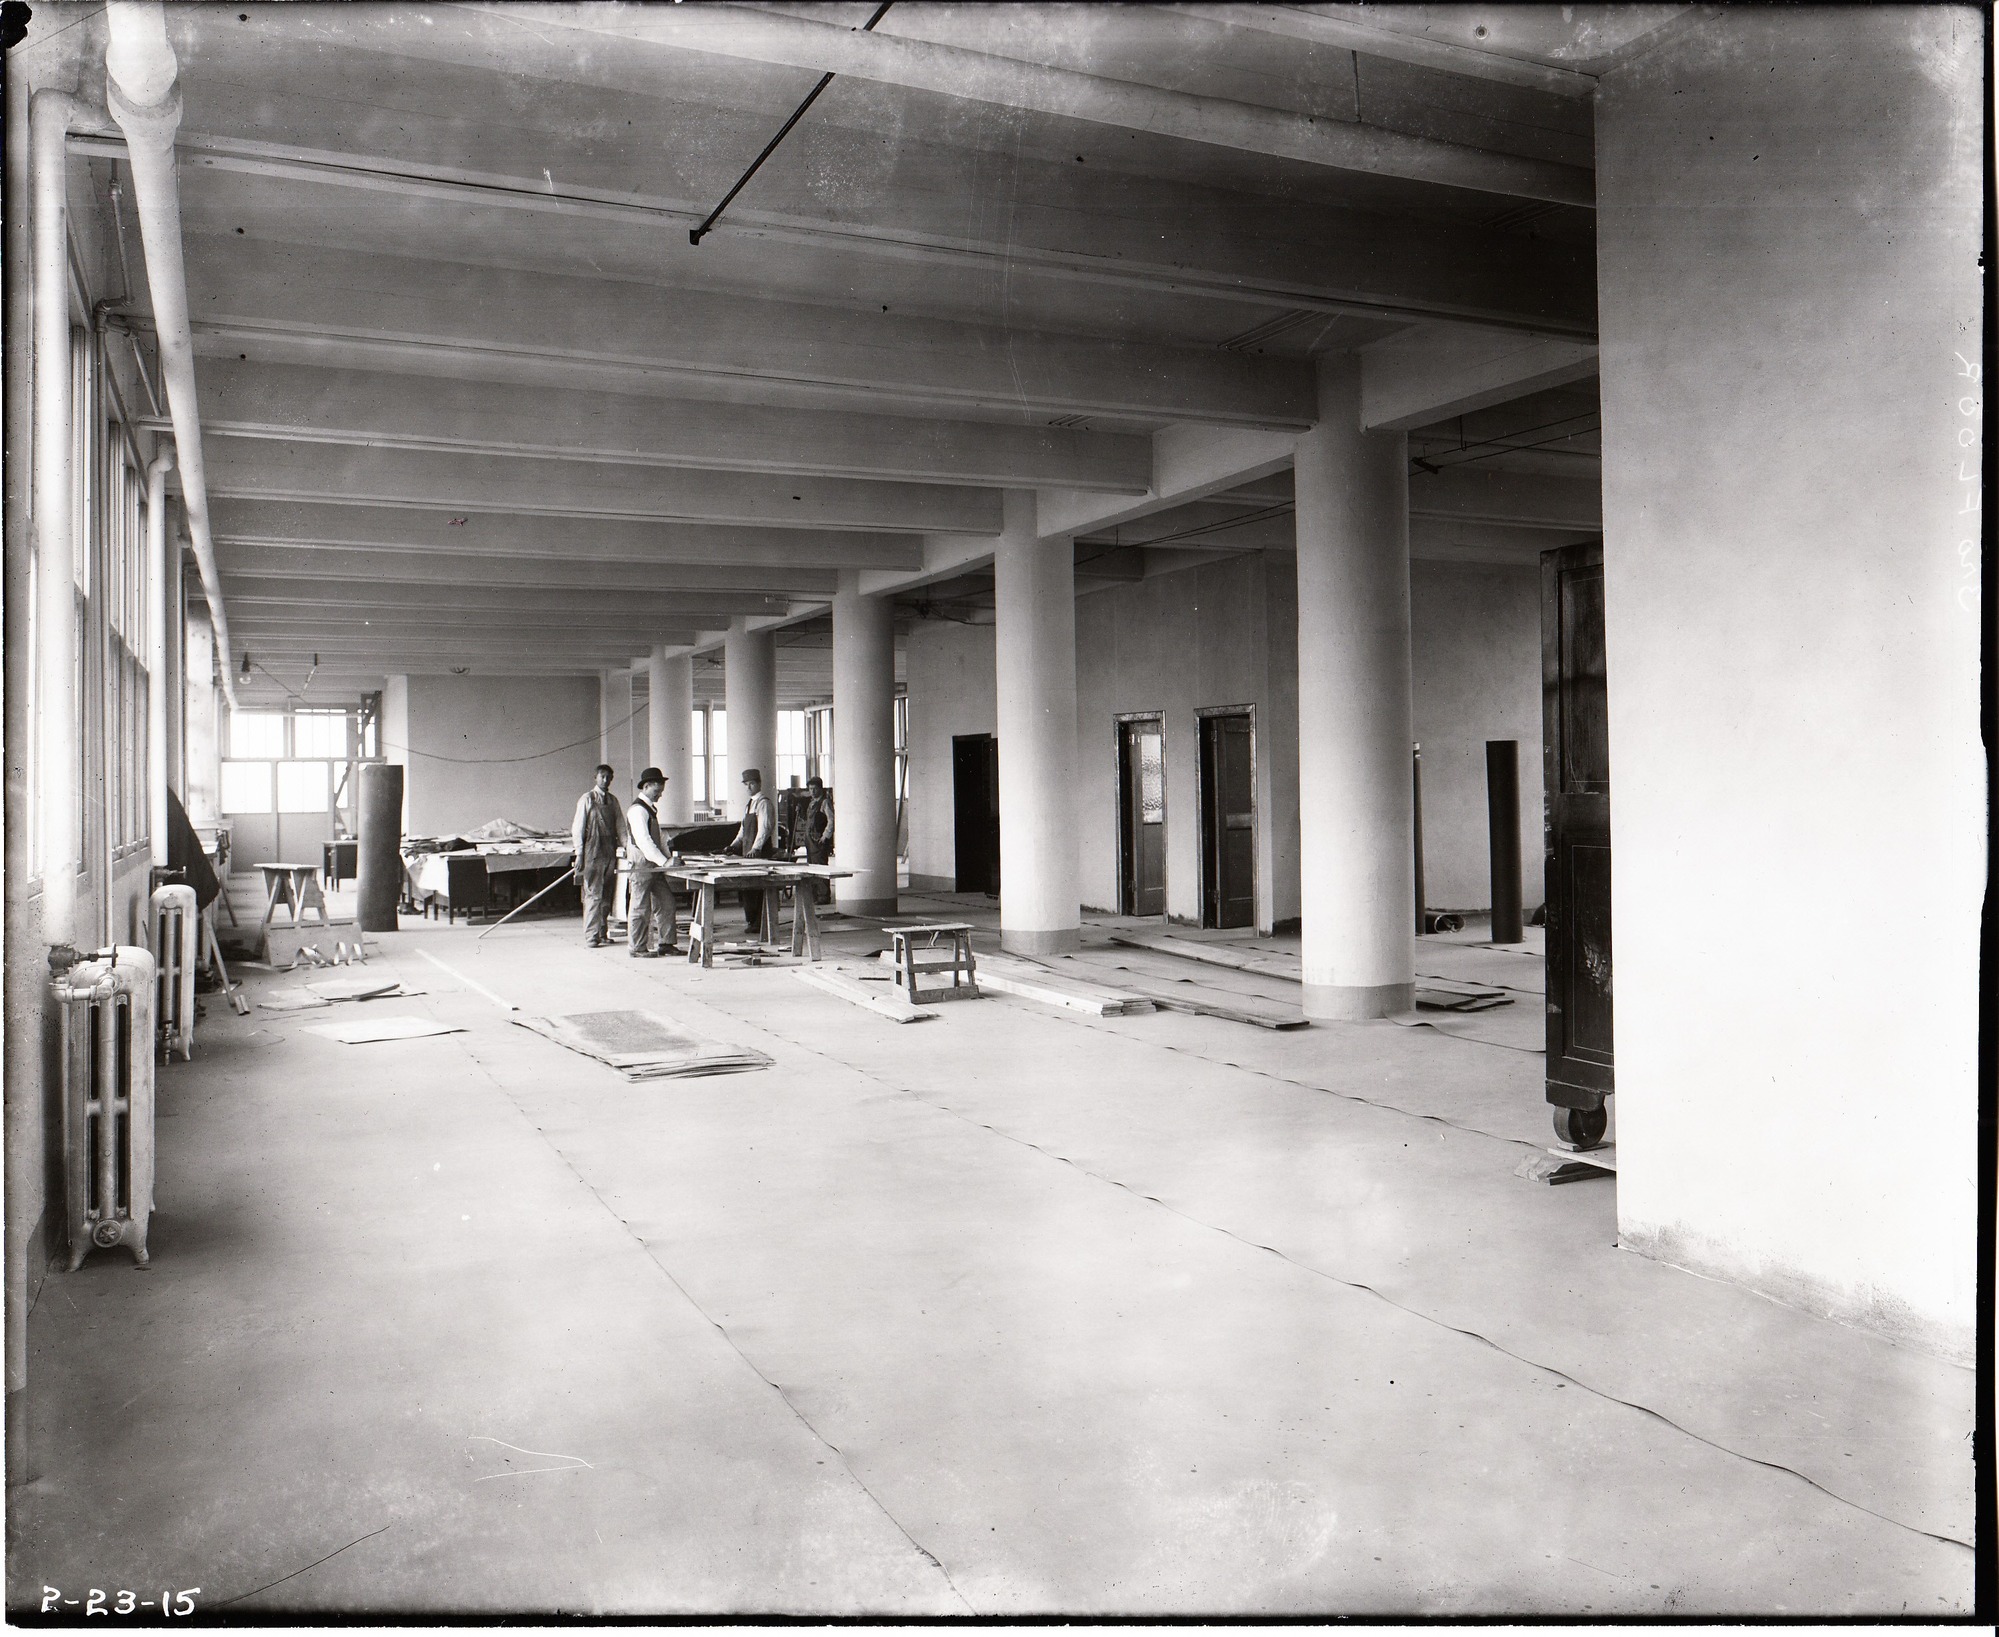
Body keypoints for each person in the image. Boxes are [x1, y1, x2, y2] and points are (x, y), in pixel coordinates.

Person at [624, 767, 682, 957]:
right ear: (646, 787)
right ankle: (637, 948)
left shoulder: (650, 809)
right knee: (640, 907)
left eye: (661, 791)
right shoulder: (637, 810)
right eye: (657, 791)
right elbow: (644, 842)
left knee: (666, 903)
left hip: (653, 866)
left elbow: (658, 838)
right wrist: (664, 862)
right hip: (641, 865)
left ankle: (666, 943)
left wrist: (668, 859)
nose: (660, 795)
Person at [571, 764, 625, 948]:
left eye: (609, 776)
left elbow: (621, 828)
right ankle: (591, 936)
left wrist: (626, 848)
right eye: (602, 776)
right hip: (592, 853)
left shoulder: (613, 801)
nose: (606, 780)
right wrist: (579, 854)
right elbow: (577, 829)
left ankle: (602, 932)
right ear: (596, 777)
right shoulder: (586, 799)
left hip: (609, 852)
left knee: (607, 895)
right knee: (593, 895)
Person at [722, 766, 778, 932]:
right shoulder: (748, 805)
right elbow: (743, 830)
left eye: (751, 784)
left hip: (760, 853)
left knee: (759, 889)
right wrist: (733, 845)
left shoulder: (764, 804)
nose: (748, 787)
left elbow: (765, 829)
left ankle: (760, 923)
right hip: (748, 853)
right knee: (748, 889)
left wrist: (756, 848)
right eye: (745, 784)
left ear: (759, 784)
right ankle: (751, 922)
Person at [803, 775, 835, 904]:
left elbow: (831, 820)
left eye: (815, 789)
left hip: (819, 840)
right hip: (809, 840)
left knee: (820, 867)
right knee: (812, 868)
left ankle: (823, 896)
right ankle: (814, 896)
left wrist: (825, 836)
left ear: (820, 789)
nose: (812, 791)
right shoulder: (811, 803)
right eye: (810, 789)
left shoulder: (824, 802)